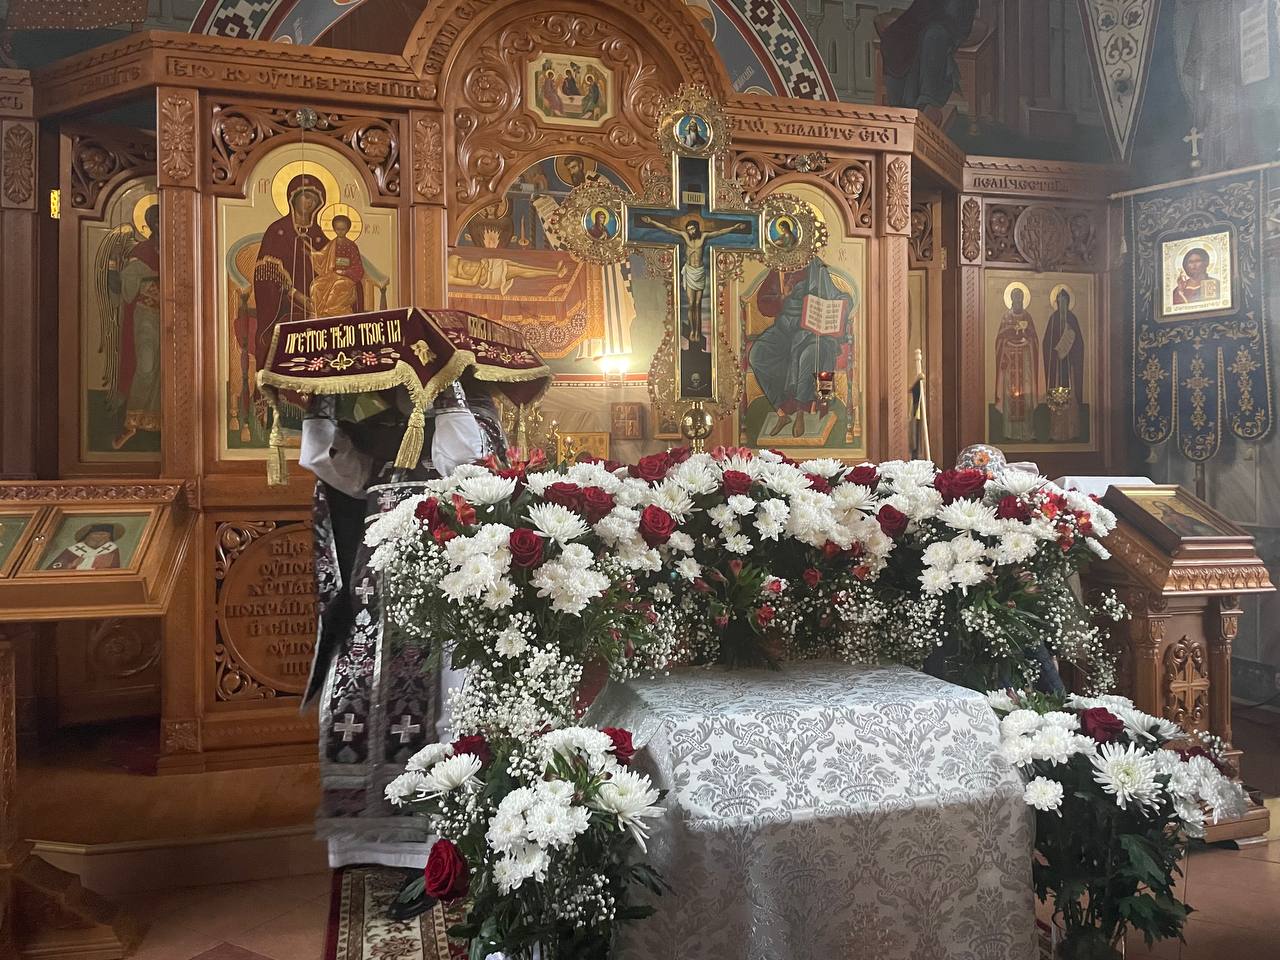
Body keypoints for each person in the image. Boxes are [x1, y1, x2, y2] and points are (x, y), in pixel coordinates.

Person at [303, 376, 509, 921]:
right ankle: (373, 841)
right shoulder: (376, 431)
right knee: (352, 706)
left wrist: (444, 394)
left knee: (450, 709)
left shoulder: (476, 421)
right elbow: (333, 466)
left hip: (447, 590)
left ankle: (442, 846)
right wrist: (320, 403)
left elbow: (464, 463)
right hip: (376, 599)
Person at [748, 260, 852, 438]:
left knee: (808, 355)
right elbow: (764, 305)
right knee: (757, 354)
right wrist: (781, 298)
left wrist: (844, 302)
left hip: (812, 331)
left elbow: (837, 296)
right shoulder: (778, 270)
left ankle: (801, 413)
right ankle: (782, 412)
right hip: (785, 329)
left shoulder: (817, 269)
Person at [637, 215, 748, 348]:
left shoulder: (703, 237)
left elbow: (719, 232)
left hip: (699, 272)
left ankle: (697, 331)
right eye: (689, 229)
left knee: (697, 304)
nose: (691, 231)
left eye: (693, 228)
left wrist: (734, 227)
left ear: (697, 228)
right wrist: (652, 221)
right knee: (691, 304)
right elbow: (668, 229)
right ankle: (692, 330)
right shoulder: (684, 236)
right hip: (690, 272)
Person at [253, 174, 329, 366]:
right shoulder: (277, 231)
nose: (310, 202)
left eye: (314, 199)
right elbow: (265, 274)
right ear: (293, 198)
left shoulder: (319, 236)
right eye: (306, 196)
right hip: (283, 303)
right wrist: (296, 295)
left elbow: (331, 267)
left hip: (318, 301)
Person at [113, 203, 162, 449]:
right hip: (147, 316)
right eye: (158, 221)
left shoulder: (179, 248)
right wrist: (152, 274)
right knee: (146, 367)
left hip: (175, 319)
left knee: (168, 370)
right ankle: (131, 423)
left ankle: (157, 423)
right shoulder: (142, 250)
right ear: (153, 224)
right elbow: (129, 282)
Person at [879, 0, 978, 112]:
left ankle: (927, 101)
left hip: (953, 17)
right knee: (894, 36)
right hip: (927, 13)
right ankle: (898, 105)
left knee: (933, 35)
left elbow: (956, 13)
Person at [993, 286, 1039, 442]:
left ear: (1023, 300)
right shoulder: (1006, 317)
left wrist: (1026, 334)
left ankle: (1027, 432)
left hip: (1025, 359)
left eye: (1020, 297)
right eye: (1016, 297)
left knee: (1026, 393)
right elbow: (999, 340)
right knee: (1009, 394)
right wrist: (1009, 333)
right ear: (1012, 299)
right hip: (1010, 359)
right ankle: (1010, 433)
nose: (1018, 300)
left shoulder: (1027, 316)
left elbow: (1034, 339)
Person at [1042, 288, 1084, 442]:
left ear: (1068, 303)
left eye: (1065, 302)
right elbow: (1046, 342)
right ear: (1057, 303)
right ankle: (1056, 432)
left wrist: (1071, 350)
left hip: (1069, 366)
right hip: (1056, 368)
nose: (1062, 305)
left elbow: (1079, 344)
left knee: (1070, 397)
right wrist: (1054, 352)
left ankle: (1071, 432)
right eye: (1060, 302)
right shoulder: (1053, 319)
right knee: (1056, 398)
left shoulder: (1072, 319)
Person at [309, 214, 365, 317]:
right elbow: (322, 256)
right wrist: (312, 254)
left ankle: (329, 313)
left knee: (337, 286)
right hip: (332, 274)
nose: (340, 232)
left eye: (343, 229)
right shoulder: (332, 244)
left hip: (347, 277)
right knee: (316, 285)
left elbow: (358, 267)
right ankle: (317, 313)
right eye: (338, 229)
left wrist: (344, 272)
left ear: (347, 229)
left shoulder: (351, 246)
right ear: (334, 229)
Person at [46, 523, 123, 570]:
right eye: (96, 534)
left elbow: (112, 570)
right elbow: (53, 570)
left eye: (104, 535)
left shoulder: (110, 549)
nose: (100, 537)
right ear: (88, 536)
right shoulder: (74, 550)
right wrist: (71, 565)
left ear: (109, 537)